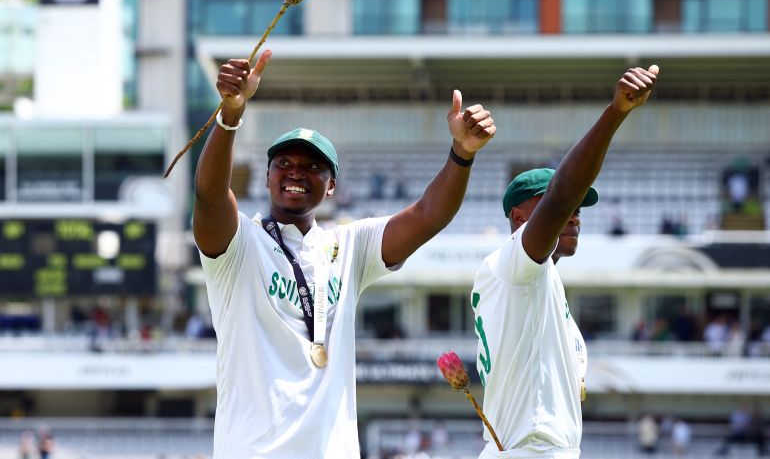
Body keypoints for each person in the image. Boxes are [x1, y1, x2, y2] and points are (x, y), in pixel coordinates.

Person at [193, 50, 495, 459]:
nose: (296, 171)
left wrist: (463, 154)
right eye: (283, 162)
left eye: (313, 167)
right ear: (266, 177)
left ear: (331, 186)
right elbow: (210, 196)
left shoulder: (349, 247)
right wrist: (230, 114)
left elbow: (428, 216)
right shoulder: (240, 243)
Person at [470, 64, 659, 458]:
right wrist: (616, 112)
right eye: (563, 205)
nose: (575, 212)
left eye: (580, 208)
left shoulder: (536, 281)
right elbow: (560, 196)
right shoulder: (514, 265)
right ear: (520, 219)